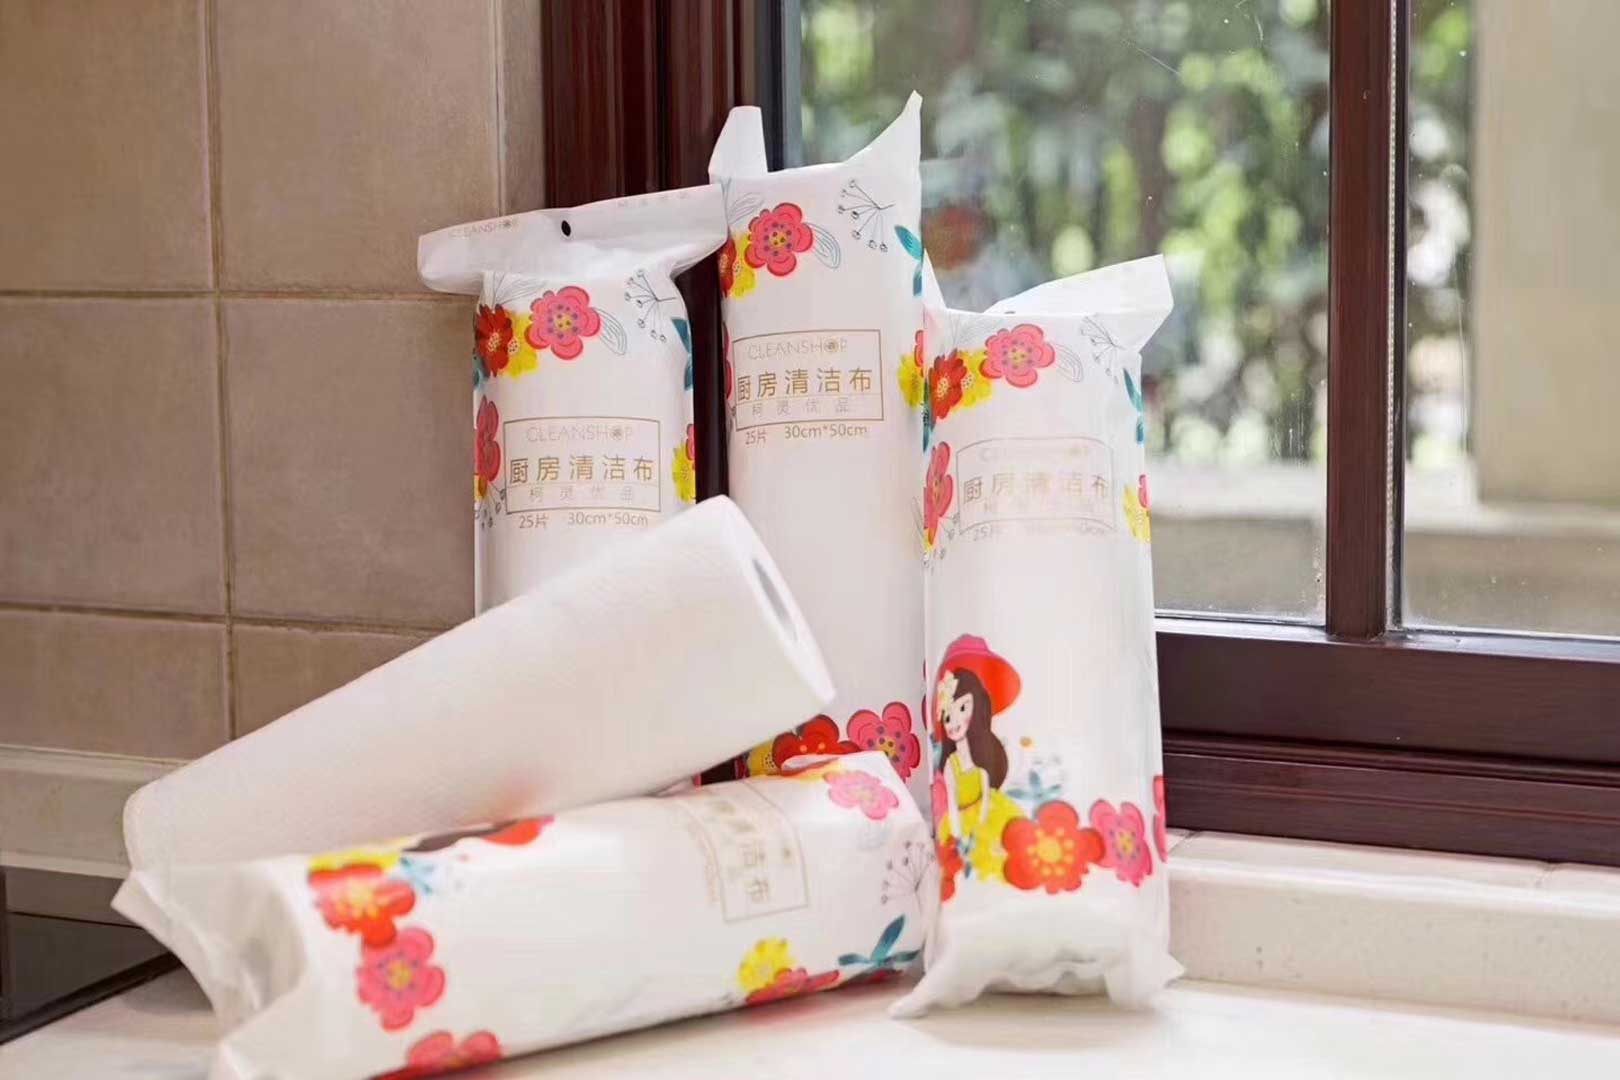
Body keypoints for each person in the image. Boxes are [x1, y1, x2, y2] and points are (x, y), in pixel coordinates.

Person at [934, 635, 1024, 883]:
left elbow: (985, 799)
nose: (954, 722)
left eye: (963, 708)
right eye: (948, 716)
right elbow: (952, 802)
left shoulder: (982, 764)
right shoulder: (951, 764)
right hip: (961, 821)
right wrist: (959, 832)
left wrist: (981, 824)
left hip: (988, 814)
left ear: (979, 708)